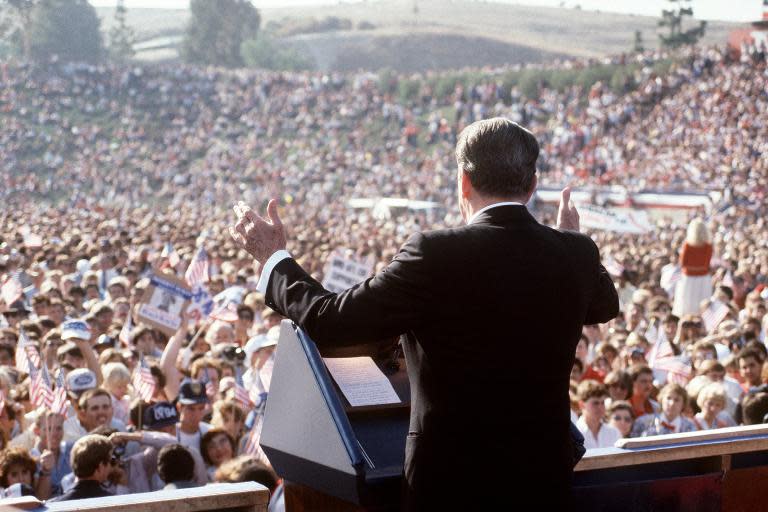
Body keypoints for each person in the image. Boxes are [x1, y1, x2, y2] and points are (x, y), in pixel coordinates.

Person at [229, 117, 619, 509]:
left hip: (451, 487)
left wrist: (274, 259)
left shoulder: (436, 253)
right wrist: (572, 241)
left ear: (463, 182)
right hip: (542, 482)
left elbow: (332, 321)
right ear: (533, 185)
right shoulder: (574, 253)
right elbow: (605, 304)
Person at [47, 434, 113, 502]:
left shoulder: (53, 505)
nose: (111, 467)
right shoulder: (114, 503)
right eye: (111, 461)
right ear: (100, 466)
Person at [673, 218, 713, 317]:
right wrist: (699, 269)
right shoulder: (706, 246)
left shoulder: (688, 245)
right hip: (701, 278)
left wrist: (693, 269)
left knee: (688, 304)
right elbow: (704, 266)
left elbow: (683, 264)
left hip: (690, 278)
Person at [632, 384, 698, 437]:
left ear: (683, 404)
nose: (672, 403)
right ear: (661, 400)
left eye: (677, 400)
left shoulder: (690, 427)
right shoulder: (643, 422)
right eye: (668, 398)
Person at [576, 380, 622, 449]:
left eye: (602, 403)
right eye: (595, 403)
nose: (600, 407)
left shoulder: (614, 432)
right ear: (582, 405)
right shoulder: (573, 434)